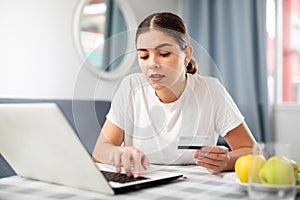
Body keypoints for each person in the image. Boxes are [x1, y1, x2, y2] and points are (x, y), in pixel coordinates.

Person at [92, 12, 256, 178]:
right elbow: (99, 151)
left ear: (186, 55)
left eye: (164, 54)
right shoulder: (131, 87)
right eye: (144, 56)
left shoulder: (211, 90)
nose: (152, 64)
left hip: (193, 187)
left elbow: (253, 152)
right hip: (140, 184)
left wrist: (226, 161)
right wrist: (117, 152)